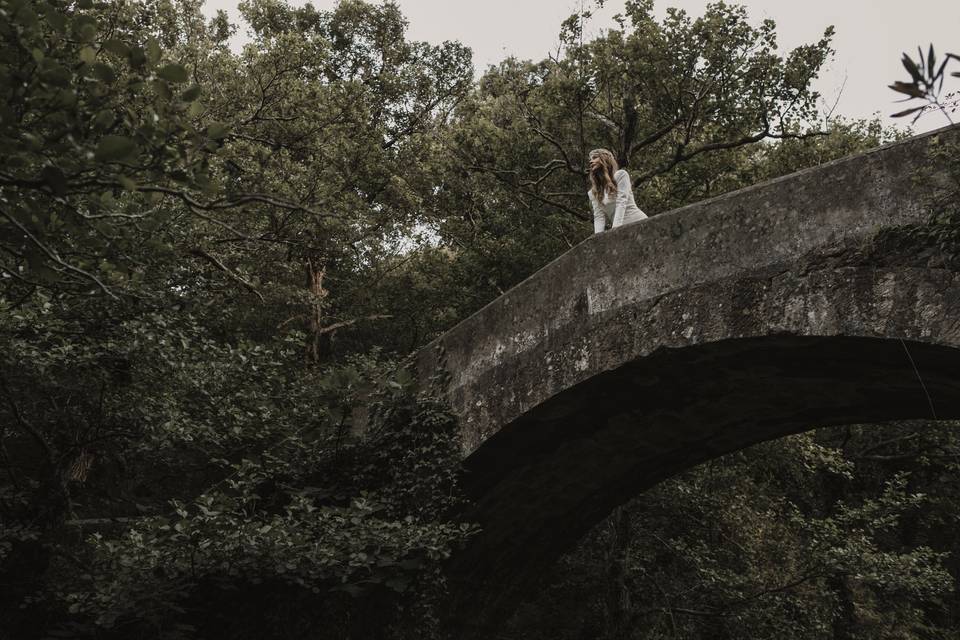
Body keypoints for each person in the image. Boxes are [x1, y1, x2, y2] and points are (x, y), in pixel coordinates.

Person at [587, 148, 647, 234]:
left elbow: (621, 202)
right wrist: (597, 239)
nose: (591, 162)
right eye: (590, 159)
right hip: (621, 231)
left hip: (638, 223)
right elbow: (599, 217)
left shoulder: (620, 175)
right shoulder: (594, 192)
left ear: (605, 159)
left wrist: (615, 231)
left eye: (595, 157)